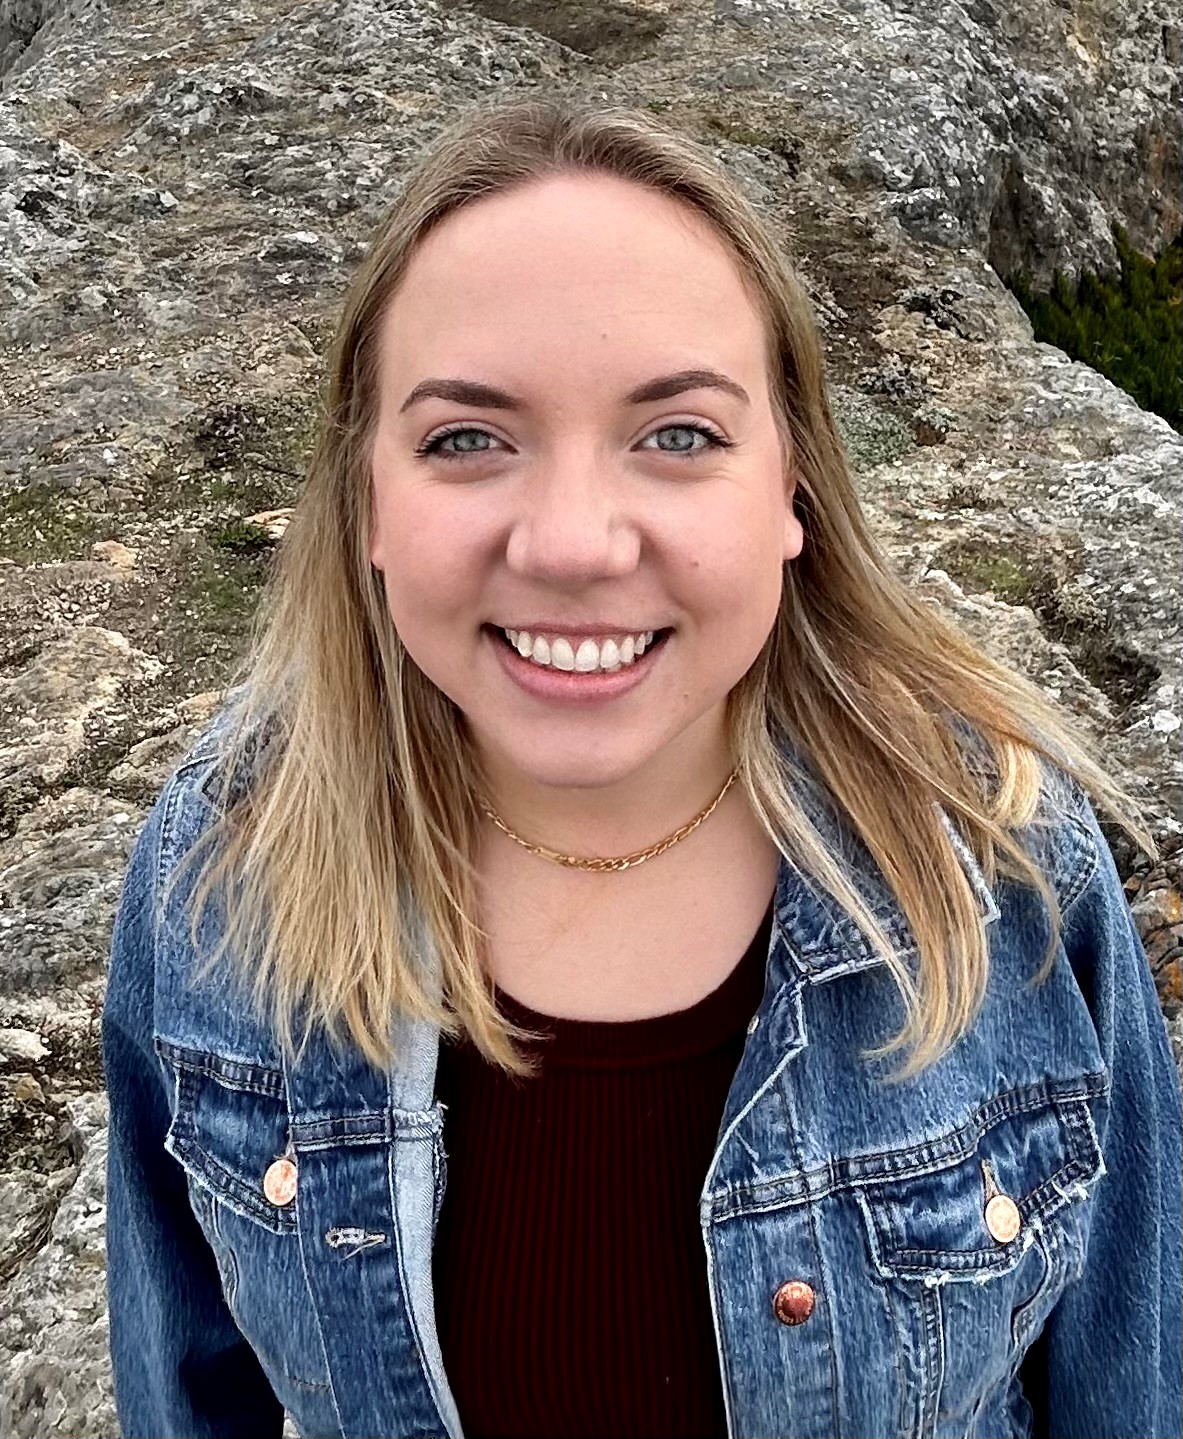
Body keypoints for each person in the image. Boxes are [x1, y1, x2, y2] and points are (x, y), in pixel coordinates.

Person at [102, 93, 1182, 1439]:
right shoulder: (225, 868)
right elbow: (184, 1391)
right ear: (367, 497)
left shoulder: (1001, 856)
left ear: (790, 486)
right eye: (465, 438)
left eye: (677, 434)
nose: (571, 543)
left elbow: (1134, 1384)